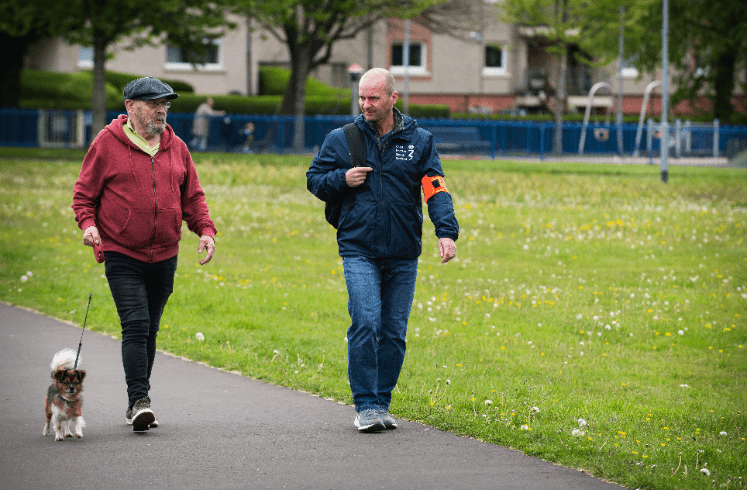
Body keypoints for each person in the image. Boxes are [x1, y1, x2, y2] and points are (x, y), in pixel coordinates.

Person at [306, 68, 459, 432]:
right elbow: (314, 179)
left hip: (404, 251)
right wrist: (342, 179)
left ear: (393, 98)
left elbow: (435, 188)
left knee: (393, 331)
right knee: (366, 321)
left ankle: (381, 402)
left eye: (373, 98)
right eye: (362, 97)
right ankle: (366, 406)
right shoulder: (341, 139)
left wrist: (446, 232)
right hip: (358, 248)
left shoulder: (420, 140)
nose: (365, 104)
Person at [72, 76, 217, 432]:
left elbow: (193, 197)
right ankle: (139, 401)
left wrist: (206, 231)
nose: (161, 110)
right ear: (130, 107)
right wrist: (88, 225)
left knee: (149, 328)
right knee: (135, 324)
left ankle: (138, 400)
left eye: (165, 103)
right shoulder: (107, 144)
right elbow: (83, 195)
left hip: (165, 253)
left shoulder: (177, 146)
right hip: (122, 251)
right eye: (154, 103)